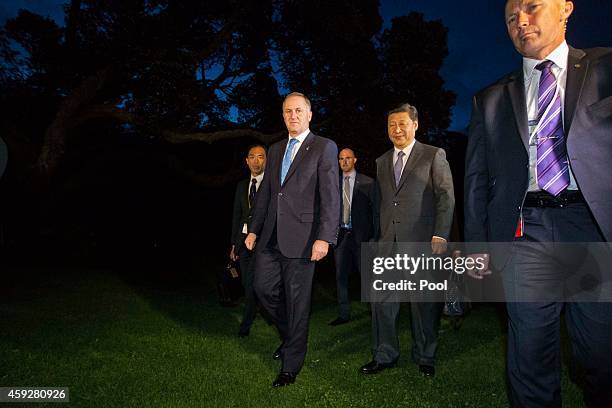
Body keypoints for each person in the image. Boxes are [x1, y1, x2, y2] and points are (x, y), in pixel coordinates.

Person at [464, 1, 612, 406]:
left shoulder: (605, 68)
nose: (521, 21)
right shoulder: (489, 99)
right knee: (528, 357)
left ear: (566, 8)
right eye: (511, 17)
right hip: (525, 232)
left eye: (532, 7)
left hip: (594, 229)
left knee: (600, 354)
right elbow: (476, 183)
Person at [245, 92, 340, 387]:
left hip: (305, 238)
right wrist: (253, 229)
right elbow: (266, 196)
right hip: (271, 236)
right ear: (283, 116)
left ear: (309, 115)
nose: (293, 115)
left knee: (298, 302)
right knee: (262, 289)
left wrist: (324, 237)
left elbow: (331, 196)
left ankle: (291, 364)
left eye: (299, 110)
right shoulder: (274, 150)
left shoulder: (323, 147)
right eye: (288, 111)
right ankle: (291, 338)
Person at [360, 103, 454, 378]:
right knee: (383, 304)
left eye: (402, 123)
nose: (397, 129)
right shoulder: (381, 162)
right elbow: (381, 203)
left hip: (422, 241)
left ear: (415, 124)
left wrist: (441, 234)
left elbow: (446, 196)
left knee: (422, 303)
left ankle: (425, 355)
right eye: (392, 125)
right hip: (387, 244)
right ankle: (383, 355)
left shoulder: (433, 155)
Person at [329, 148, 374, 326]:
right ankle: (343, 314)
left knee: (367, 276)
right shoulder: (333, 183)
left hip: (361, 237)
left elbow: (376, 212)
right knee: (340, 276)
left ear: (355, 160)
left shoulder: (368, 182)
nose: (344, 161)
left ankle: (374, 311)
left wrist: (374, 236)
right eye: (341, 159)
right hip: (340, 236)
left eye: (348, 158)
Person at [230, 144, 267, 337]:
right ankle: (258, 309)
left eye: (260, 157)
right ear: (247, 161)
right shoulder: (242, 186)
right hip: (243, 243)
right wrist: (234, 244)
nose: (256, 161)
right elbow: (237, 215)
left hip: (263, 243)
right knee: (247, 282)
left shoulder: (271, 185)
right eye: (252, 157)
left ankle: (246, 323)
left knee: (255, 283)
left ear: (266, 161)